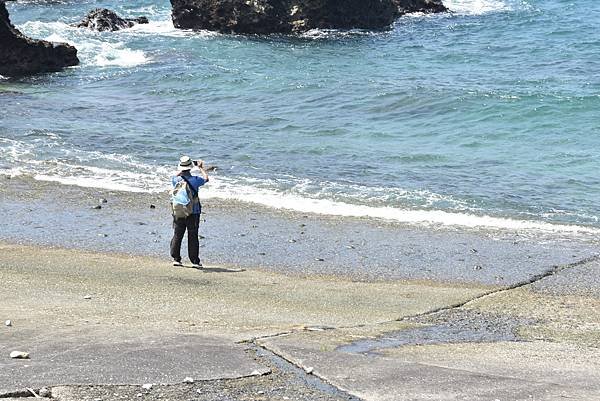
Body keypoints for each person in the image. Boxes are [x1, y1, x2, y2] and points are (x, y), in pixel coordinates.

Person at [170, 155, 209, 268]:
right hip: (193, 211)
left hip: (178, 211)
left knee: (178, 234)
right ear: (190, 167)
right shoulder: (195, 180)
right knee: (192, 235)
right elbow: (206, 178)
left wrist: (181, 170)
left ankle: (176, 258)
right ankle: (195, 261)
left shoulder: (175, 180)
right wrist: (201, 168)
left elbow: (175, 175)